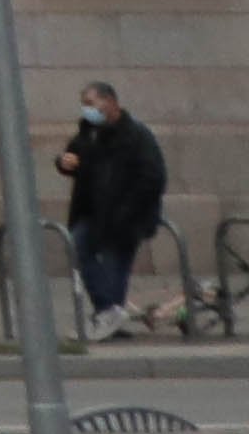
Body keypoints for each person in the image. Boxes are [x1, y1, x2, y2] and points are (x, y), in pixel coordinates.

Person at [60, 80, 172, 339]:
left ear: (110, 102)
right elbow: (73, 158)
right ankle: (108, 314)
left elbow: (153, 176)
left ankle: (109, 318)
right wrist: (63, 162)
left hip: (125, 215)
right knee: (79, 249)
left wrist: (129, 209)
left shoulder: (136, 135)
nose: (87, 110)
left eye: (90, 103)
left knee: (115, 268)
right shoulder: (88, 133)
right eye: (84, 105)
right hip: (91, 212)